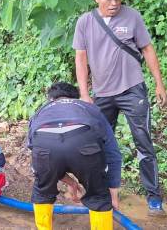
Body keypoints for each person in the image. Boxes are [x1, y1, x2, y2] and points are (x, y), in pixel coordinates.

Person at [72, 0, 167, 215]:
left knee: (144, 142)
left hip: (132, 88)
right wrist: (84, 93)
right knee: (101, 145)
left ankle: (154, 196)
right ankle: (105, 191)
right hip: (102, 94)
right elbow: (81, 58)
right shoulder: (85, 22)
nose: (115, 3)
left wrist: (159, 83)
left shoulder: (132, 16)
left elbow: (147, 48)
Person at [28, 82, 122, 230]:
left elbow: (44, 157)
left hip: (44, 143)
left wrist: (70, 182)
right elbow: (113, 153)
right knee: (98, 195)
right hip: (84, 141)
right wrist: (112, 195)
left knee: (42, 191)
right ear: (76, 98)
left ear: (50, 99)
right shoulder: (89, 108)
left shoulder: (40, 112)